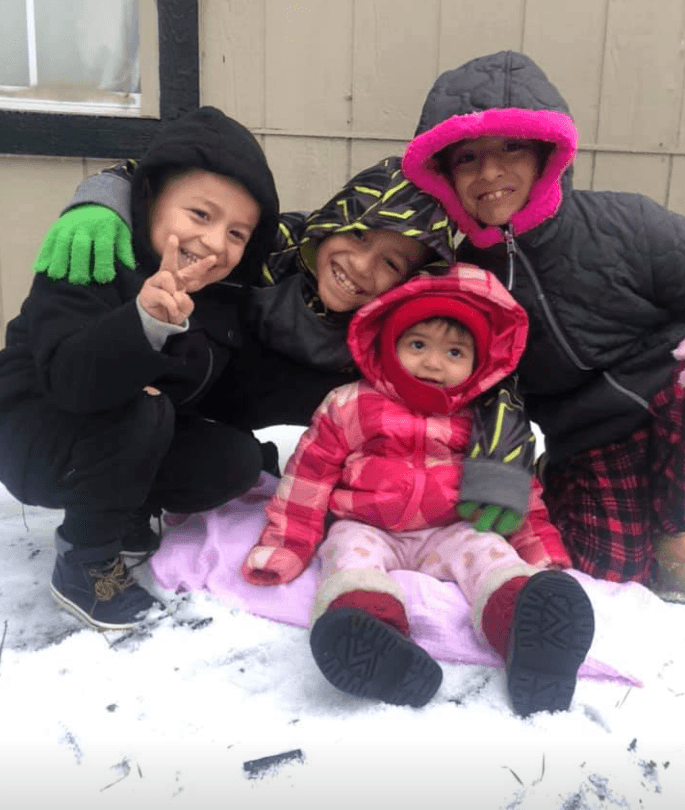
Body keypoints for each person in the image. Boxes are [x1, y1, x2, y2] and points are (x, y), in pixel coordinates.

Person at [241, 265, 595, 717]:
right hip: (367, 525)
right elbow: (308, 478)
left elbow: (516, 490)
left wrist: (540, 554)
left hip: (451, 529)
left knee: (490, 553)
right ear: (389, 343)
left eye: (454, 352)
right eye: (418, 345)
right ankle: (372, 636)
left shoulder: (485, 418)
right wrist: (286, 547)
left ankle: (525, 628)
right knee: (349, 557)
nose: (433, 362)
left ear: (478, 363)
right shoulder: (353, 403)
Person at [402, 51, 685, 600]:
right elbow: (487, 389)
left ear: (546, 152)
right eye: (467, 159)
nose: (490, 173)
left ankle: (674, 529)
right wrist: (500, 473)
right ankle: (582, 493)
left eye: (511, 148)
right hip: (590, 438)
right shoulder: (463, 277)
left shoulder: (630, 223)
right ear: (444, 176)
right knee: (611, 571)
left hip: (668, 397)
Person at [0, 106, 279, 630]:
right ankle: (85, 559)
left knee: (234, 460)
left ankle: (125, 514)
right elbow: (70, 379)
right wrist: (143, 321)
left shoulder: (218, 295)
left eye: (238, 233)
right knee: (144, 409)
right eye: (200, 215)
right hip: (35, 430)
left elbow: (222, 386)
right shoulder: (91, 255)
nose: (217, 243)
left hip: (122, 430)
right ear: (150, 199)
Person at [33, 157, 458, 430]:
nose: (362, 266)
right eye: (360, 236)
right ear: (333, 222)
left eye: (391, 264)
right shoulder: (274, 244)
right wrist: (102, 200)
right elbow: (165, 186)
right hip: (202, 406)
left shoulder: (398, 329)